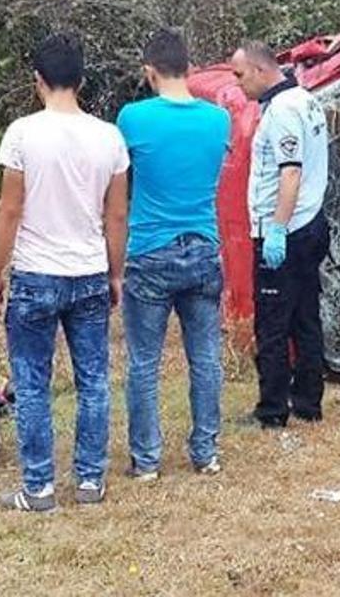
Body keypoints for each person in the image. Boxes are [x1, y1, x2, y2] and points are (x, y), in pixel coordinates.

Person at [0, 32, 129, 512]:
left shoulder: (22, 133)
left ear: (38, 81)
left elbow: (9, 209)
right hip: (88, 271)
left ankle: (39, 487)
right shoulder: (109, 137)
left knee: (31, 384)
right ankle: (89, 480)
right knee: (94, 380)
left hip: (35, 273)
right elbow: (116, 216)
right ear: (81, 81)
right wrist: (115, 274)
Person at [117, 29, 230, 479]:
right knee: (205, 357)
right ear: (191, 69)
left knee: (144, 361)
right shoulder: (218, 119)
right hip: (203, 246)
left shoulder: (133, 117)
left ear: (150, 72)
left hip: (150, 249)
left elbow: (120, 177)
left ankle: (146, 460)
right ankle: (205, 452)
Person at [230, 41, 330, 429]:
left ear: (260, 70)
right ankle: (308, 401)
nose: (238, 84)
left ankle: (272, 409)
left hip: (286, 229)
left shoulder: (284, 110)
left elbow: (290, 171)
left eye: (240, 75)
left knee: (272, 322)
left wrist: (276, 228)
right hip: (311, 221)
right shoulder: (305, 99)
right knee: (306, 316)